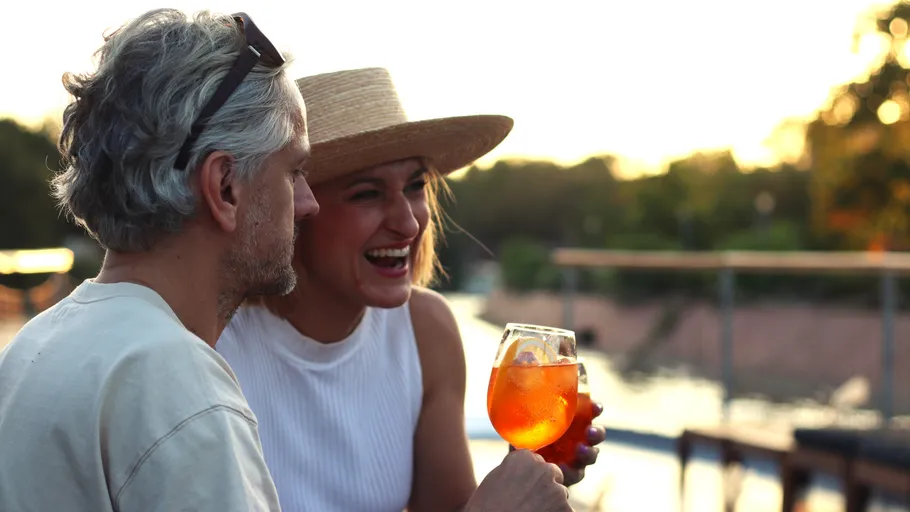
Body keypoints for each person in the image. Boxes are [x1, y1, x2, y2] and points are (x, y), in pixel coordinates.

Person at [217, 67, 604, 512]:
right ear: (296, 204)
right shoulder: (216, 340)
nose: (407, 222)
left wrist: (531, 469)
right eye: (366, 193)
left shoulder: (426, 330)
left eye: (416, 186)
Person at [0, 9, 317, 511]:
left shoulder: (34, 346)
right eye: (293, 171)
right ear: (225, 188)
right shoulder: (176, 387)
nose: (308, 202)